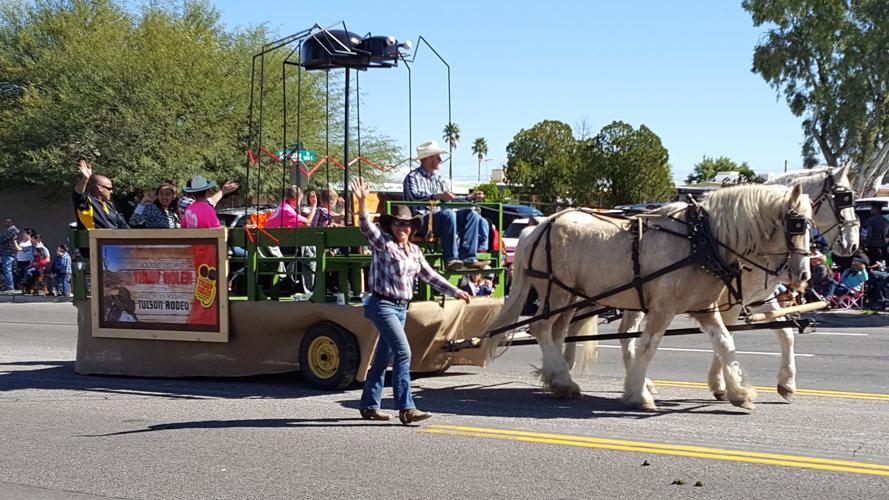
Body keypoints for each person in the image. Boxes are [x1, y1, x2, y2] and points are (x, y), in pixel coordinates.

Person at [352, 177, 471, 425]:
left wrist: (455, 291)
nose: (402, 228)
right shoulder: (384, 244)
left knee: (383, 358)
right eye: (398, 224)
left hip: (401, 308)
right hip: (382, 304)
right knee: (403, 352)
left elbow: (430, 276)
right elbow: (366, 227)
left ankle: (369, 405)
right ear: (391, 226)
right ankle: (406, 408)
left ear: (412, 228)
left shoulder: (415, 252)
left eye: (406, 224)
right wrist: (362, 202)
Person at [403, 140, 489, 271]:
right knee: (448, 214)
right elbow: (414, 196)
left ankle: (468, 259)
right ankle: (450, 259)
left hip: (442, 220)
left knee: (471, 214)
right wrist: (437, 196)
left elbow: (450, 199)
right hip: (420, 221)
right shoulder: (412, 177)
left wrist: (470, 198)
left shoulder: (438, 178)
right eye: (437, 156)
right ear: (428, 158)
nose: (440, 159)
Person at [73, 160, 129, 230]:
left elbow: (124, 226)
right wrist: (85, 179)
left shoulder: (110, 205)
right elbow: (78, 195)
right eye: (109, 189)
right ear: (100, 188)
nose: (111, 191)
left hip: (115, 236)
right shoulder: (87, 203)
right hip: (93, 237)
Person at [0, 218, 19, 292]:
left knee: (7, 270)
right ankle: (7, 286)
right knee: (6, 270)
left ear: (12, 223)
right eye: (6, 222)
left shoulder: (13, 230)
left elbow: (2, 239)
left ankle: (10, 287)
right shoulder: (8, 230)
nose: (7, 223)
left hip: (8, 253)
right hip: (5, 253)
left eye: (9, 222)